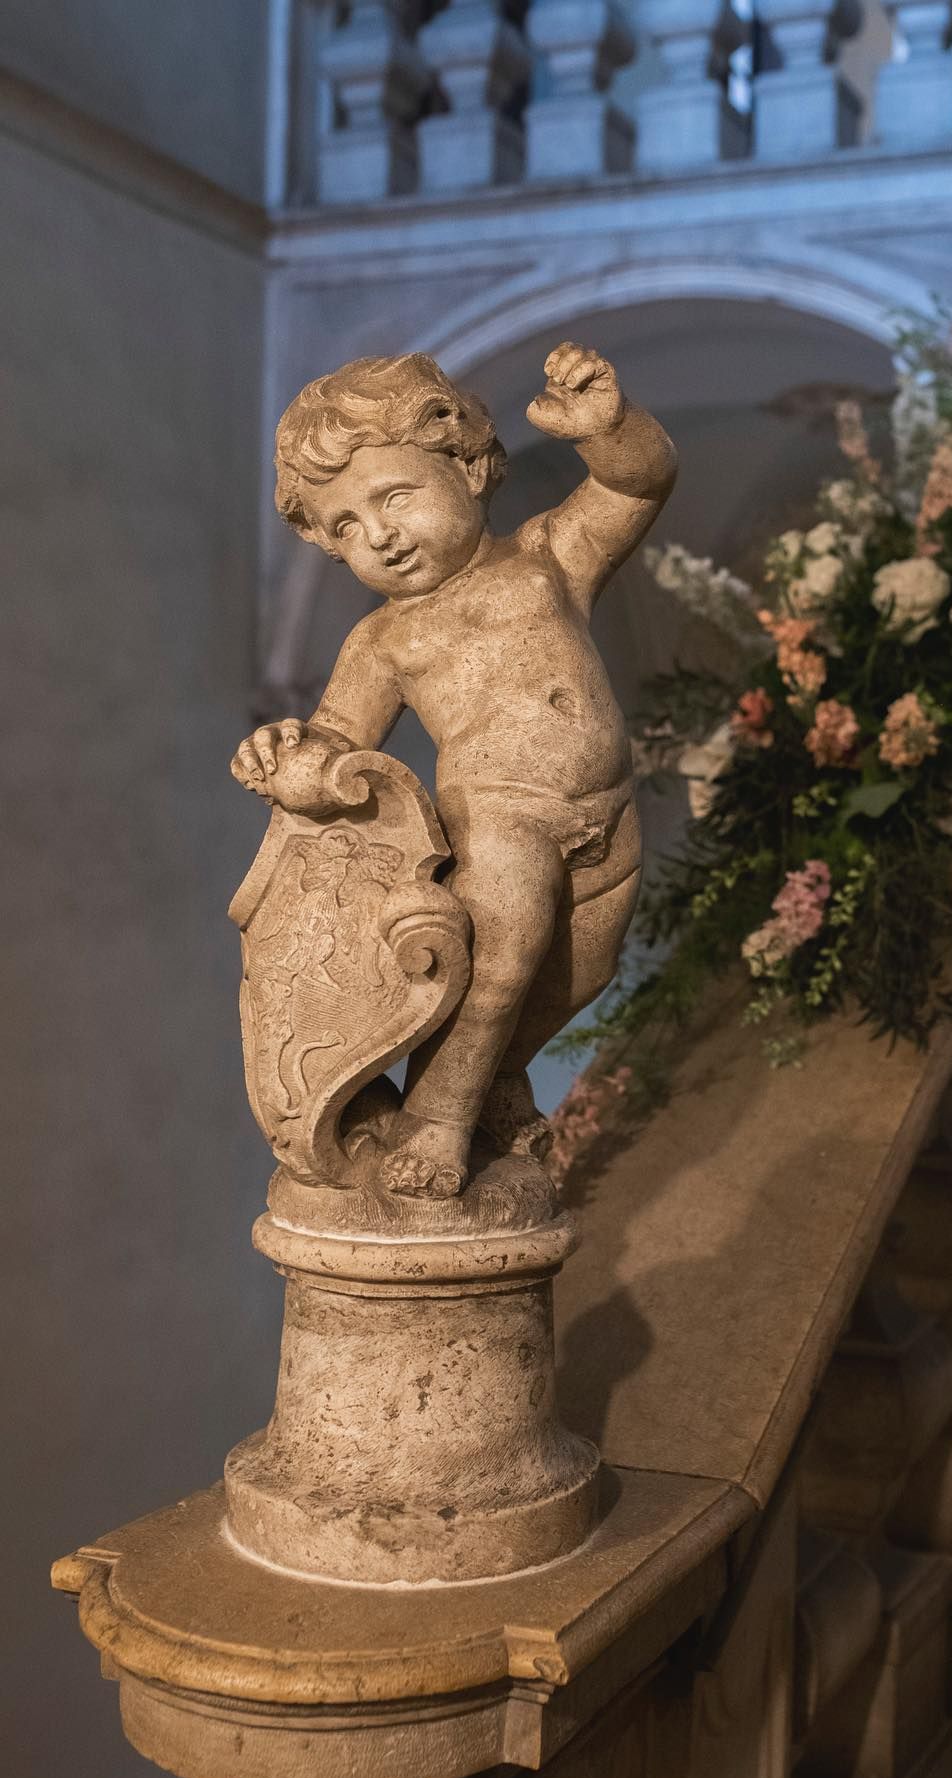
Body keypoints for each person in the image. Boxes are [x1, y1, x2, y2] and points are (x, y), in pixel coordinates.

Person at [233, 344, 677, 1198]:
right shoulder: (383, 640)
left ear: (469, 467)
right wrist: (290, 762)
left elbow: (634, 487)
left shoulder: (551, 557)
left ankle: (496, 1079)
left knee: (583, 971)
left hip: (608, 818)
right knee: (502, 958)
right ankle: (437, 1120)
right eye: (347, 529)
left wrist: (609, 430)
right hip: (498, 821)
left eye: (393, 496)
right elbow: (335, 740)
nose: (381, 537)